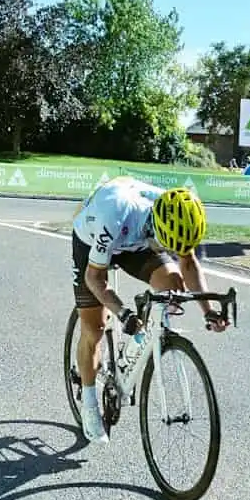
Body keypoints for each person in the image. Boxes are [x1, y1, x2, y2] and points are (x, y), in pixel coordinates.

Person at [70, 176, 229, 444]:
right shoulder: (115, 215)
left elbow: (188, 263)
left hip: (136, 242)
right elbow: (94, 278)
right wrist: (123, 313)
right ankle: (88, 404)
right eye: (169, 246)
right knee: (94, 327)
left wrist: (208, 310)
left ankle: (144, 341)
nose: (172, 251)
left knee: (172, 283)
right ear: (157, 228)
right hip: (94, 240)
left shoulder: (177, 214)